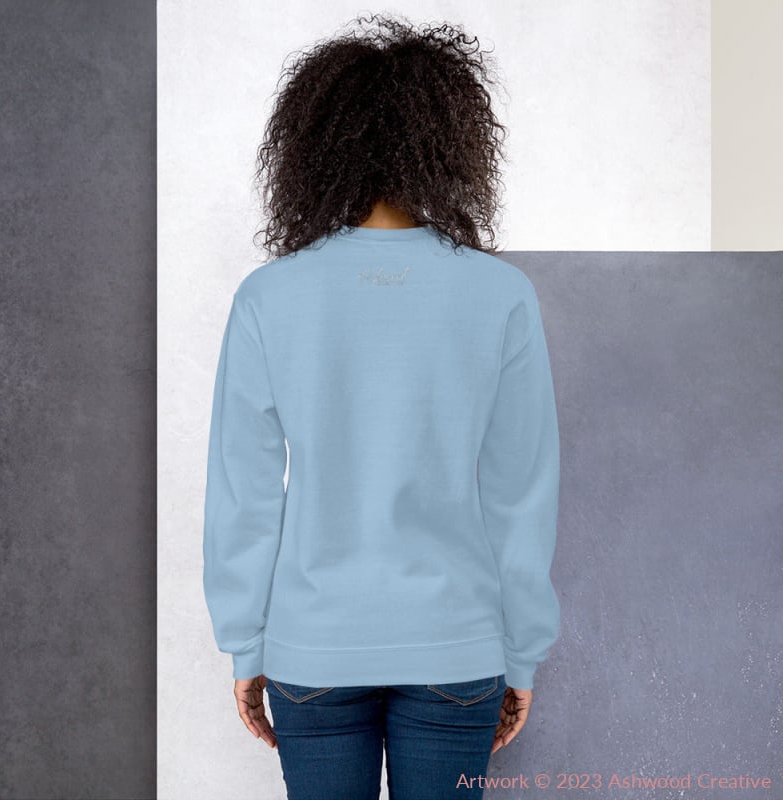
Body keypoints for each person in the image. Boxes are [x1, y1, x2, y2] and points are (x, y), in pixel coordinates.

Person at [202, 12, 561, 800]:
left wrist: (246, 645)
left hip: (311, 651)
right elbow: (520, 493)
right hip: (457, 646)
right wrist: (522, 653)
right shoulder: (500, 294)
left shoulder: (270, 297)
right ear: (450, 141)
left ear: (315, 143)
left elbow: (244, 493)